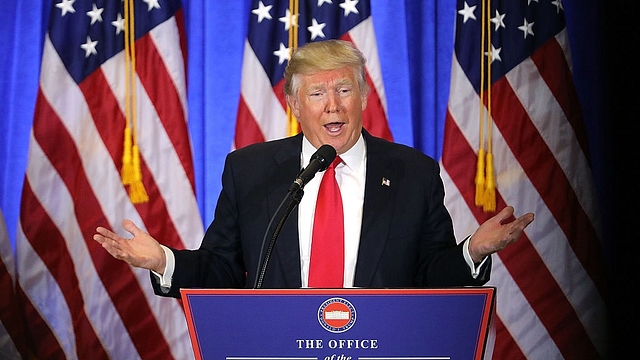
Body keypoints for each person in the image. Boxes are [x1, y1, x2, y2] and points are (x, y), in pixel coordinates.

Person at [93, 39, 534, 297]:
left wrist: (473, 250)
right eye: (318, 95)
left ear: (362, 98)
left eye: (344, 89)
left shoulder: (412, 173)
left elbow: (429, 276)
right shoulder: (250, 170)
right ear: (295, 105)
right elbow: (223, 270)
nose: (334, 106)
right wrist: (164, 261)